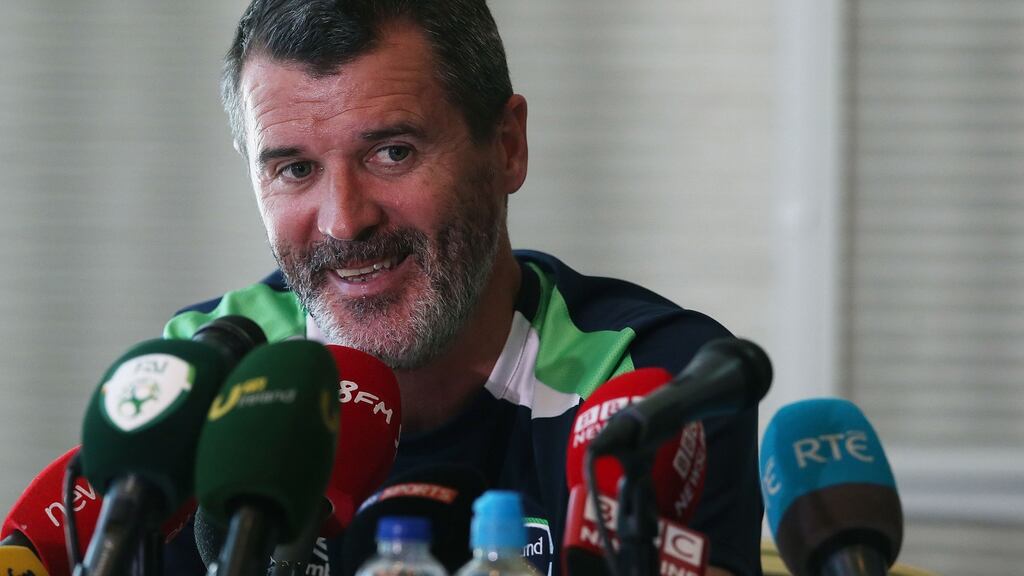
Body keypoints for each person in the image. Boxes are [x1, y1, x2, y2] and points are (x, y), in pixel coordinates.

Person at [163, 1, 763, 574]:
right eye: (295, 169)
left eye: (392, 152)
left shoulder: (648, 381)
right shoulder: (211, 370)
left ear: (507, 147)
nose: (344, 221)